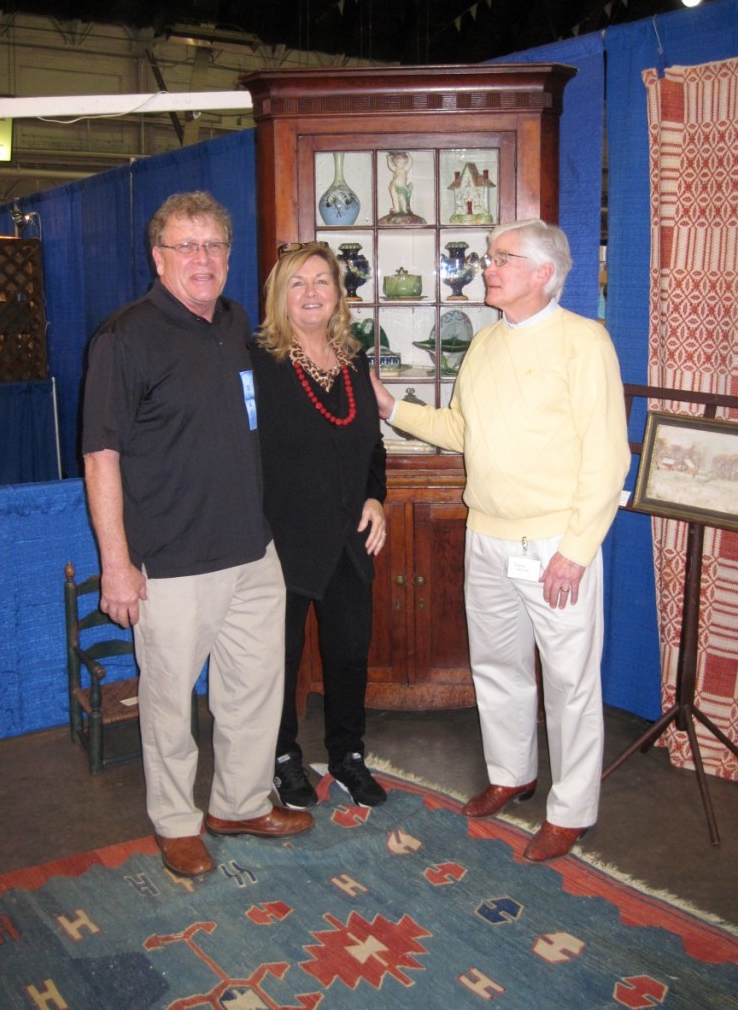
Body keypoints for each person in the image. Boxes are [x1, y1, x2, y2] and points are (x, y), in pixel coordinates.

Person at [370, 219, 630, 862]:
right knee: (497, 668)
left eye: (503, 258)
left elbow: (607, 457)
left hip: (555, 545)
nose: (488, 267)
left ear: (544, 273)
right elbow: (463, 429)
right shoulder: (483, 345)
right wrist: (390, 407)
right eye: (491, 257)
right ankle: (512, 774)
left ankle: (571, 810)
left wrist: (576, 548)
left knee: (570, 683)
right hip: (484, 536)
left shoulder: (584, 341)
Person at [81, 191, 313, 880]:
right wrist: (117, 564)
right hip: (173, 563)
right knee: (169, 704)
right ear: (159, 258)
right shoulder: (123, 337)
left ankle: (239, 803)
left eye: (214, 246)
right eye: (187, 247)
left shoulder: (237, 321)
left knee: (252, 691)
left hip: (251, 550)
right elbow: (100, 456)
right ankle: (177, 823)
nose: (203, 259)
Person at [250, 241, 388, 809]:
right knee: (277, 657)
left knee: (349, 653)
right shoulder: (259, 362)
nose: (310, 292)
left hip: (352, 540)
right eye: (297, 283)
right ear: (280, 296)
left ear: (338, 294)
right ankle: (282, 756)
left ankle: (348, 754)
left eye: (321, 281)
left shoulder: (354, 360)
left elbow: (372, 447)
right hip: (283, 540)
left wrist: (377, 500)